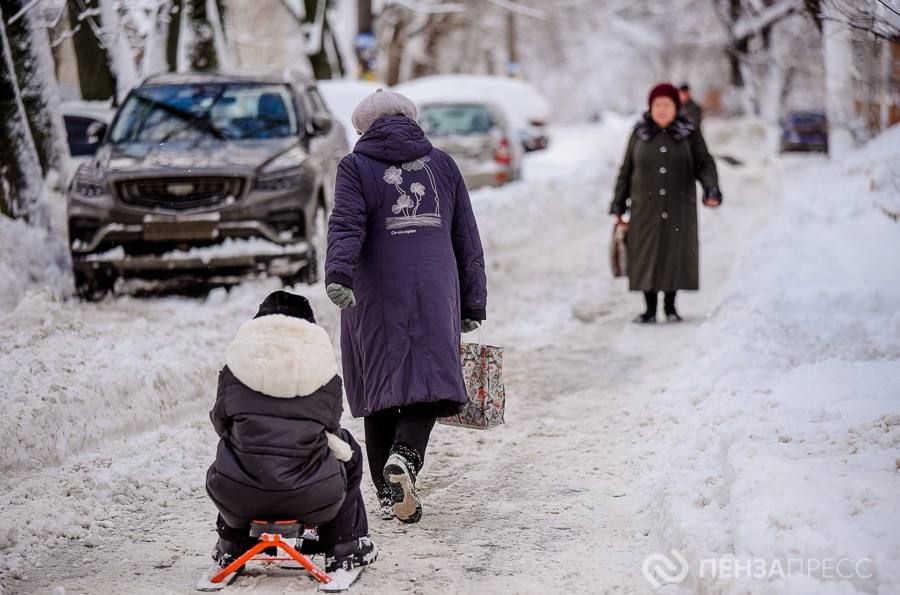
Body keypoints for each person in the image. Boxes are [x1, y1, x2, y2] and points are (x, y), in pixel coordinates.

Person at [324, 89, 487, 523]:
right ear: (411, 121)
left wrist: (338, 274)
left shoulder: (355, 167)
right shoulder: (443, 165)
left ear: (363, 128)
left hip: (374, 292)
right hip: (436, 289)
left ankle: (384, 489)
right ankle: (406, 457)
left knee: (380, 389)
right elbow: (466, 236)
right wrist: (473, 300)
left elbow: (346, 223)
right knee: (429, 382)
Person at [205, 291, 377, 575]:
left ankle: (230, 544)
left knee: (234, 448)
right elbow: (330, 426)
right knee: (349, 449)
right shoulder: (323, 371)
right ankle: (343, 546)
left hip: (239, 498)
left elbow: (219, 421)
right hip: (310, 497)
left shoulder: (236, 367)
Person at [609, 82, 721, 323]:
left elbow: (705, 163)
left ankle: (670, 307)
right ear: (650, 107)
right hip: (644, 208)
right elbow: (626, 169)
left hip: (679, 206)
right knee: (646, 252)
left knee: (674, 252)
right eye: (657, 105)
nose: (661, 109)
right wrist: (619, 202)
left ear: (676, 107)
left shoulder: (688, 132)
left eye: (667, 105)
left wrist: (711, 188)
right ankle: (649, 309)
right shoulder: (639, 132)